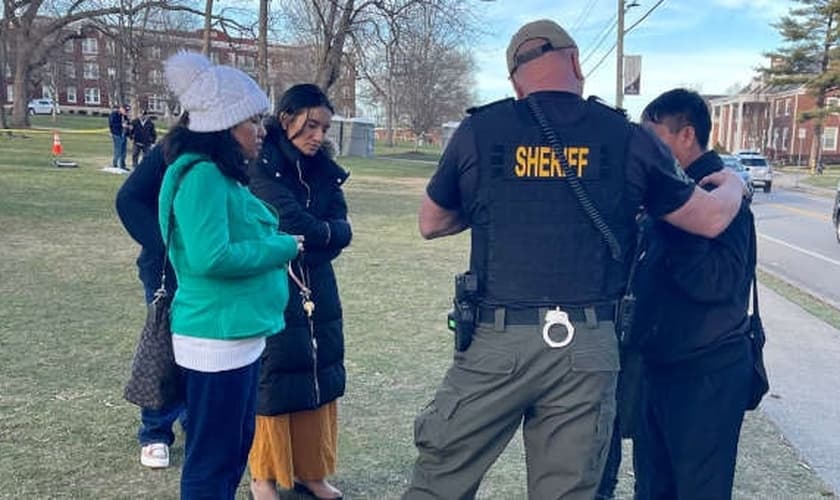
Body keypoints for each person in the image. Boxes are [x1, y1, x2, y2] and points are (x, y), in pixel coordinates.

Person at [404, 19, 746, 499]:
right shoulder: (627, 137)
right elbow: (709, 220)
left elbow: (431, 221)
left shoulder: (480, 130)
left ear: (515, 81)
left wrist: (504, 202)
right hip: (586, 347)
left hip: (496, 339)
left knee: (440, 482)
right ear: (577, 63)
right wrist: (735, 184)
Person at [159, 51, 301, 499]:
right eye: (252, 121)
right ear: (224, 124)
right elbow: (211, 258)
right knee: (212, 461)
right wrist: (282, 246)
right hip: (214, 341)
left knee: (232, 451)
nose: (262, 130)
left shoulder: (220, 176)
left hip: (235, 337)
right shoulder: (202, 175)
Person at [633, 88, 755, 500]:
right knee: (652, 487)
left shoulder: (718, 194)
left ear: (687, 135)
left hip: (707, 373)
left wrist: (677, 222)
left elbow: (717, 282)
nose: (647, 150)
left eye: (655, 138)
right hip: (662, 366)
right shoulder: (671, 191)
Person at [246, 83, 351, 500]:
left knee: (319, 370)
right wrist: (322, 233)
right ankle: (263, 476)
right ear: (286, 118)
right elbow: (286, 220)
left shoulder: (323, 167)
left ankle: (312, 471)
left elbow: (341, 227)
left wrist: (321, 235)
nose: (318, 136)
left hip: (318, 281)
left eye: (324, 128)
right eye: (311, 126)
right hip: (273, 278)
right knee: (275, 374)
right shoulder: (262, 163)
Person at [115, 139, 185, 469]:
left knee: (202, 347)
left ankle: (192, 417)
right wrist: (165, 245)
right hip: (166, 269)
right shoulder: (173, 148)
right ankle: (155, 431)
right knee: (164, 346)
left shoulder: (236, 152)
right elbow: (128, 199)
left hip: (210, 271)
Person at [109, 104, 129, 170]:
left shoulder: (124, 116)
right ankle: (115, 164)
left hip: (124, 134)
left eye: (127, 111)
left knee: (124, 151)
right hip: (117, 134)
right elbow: (112, 124)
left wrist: (128, 126)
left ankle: (122, 165)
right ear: (121, 109)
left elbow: (127, 123)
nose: (126, 112)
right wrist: (121, 125)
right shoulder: (114, 114)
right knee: (118, 150)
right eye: (125, 110)